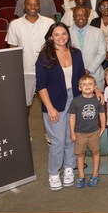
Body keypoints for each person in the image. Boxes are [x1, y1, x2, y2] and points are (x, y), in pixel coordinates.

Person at [36, 23, 86, 191]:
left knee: (71, 136)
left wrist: (96, 91)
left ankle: (69, 169)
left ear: (68, 35)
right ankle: (54, 173)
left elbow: (81, 77)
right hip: (54, 101)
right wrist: (49, 108)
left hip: (74, 98)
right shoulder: (44, 57)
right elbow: (41, 86)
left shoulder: (76, 54)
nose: (60, 37)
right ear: (51, 37)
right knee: (57, 140)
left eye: (63, 33)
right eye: (56, 34)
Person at [6, 0, 55, 108]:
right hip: (25, 71)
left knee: (50, 104)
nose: (33, 7)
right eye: (29, 4)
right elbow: (12, 49)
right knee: (24, 105)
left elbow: (55, 46)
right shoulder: (15, 24)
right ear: (24, 6)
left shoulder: (49, 23)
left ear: (39, 6)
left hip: (48, 70)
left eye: (36, 4)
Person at [69, 74, 106, 188]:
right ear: (79, 88)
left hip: (94, 132)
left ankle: (95, 175)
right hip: (80, 133)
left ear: (95, 86)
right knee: (80, 155)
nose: (87, 86)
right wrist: (72, 132)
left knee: (95, 153)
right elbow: (72, 117)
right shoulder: (76, 101)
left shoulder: (98, 100)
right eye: (84, 84)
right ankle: (81, 176)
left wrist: (103, 127)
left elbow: (102, 114)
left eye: (90, 84)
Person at [69, 6, 107, 90]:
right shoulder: (67, 33)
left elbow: (102, 53)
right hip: (73, 76)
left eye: (83, 15)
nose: (80, 18)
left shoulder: (98, 32)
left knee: (97, 102)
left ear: (87, 17)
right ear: (73, 17)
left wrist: (89, 69)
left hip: (95, 75)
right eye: (77, 15)